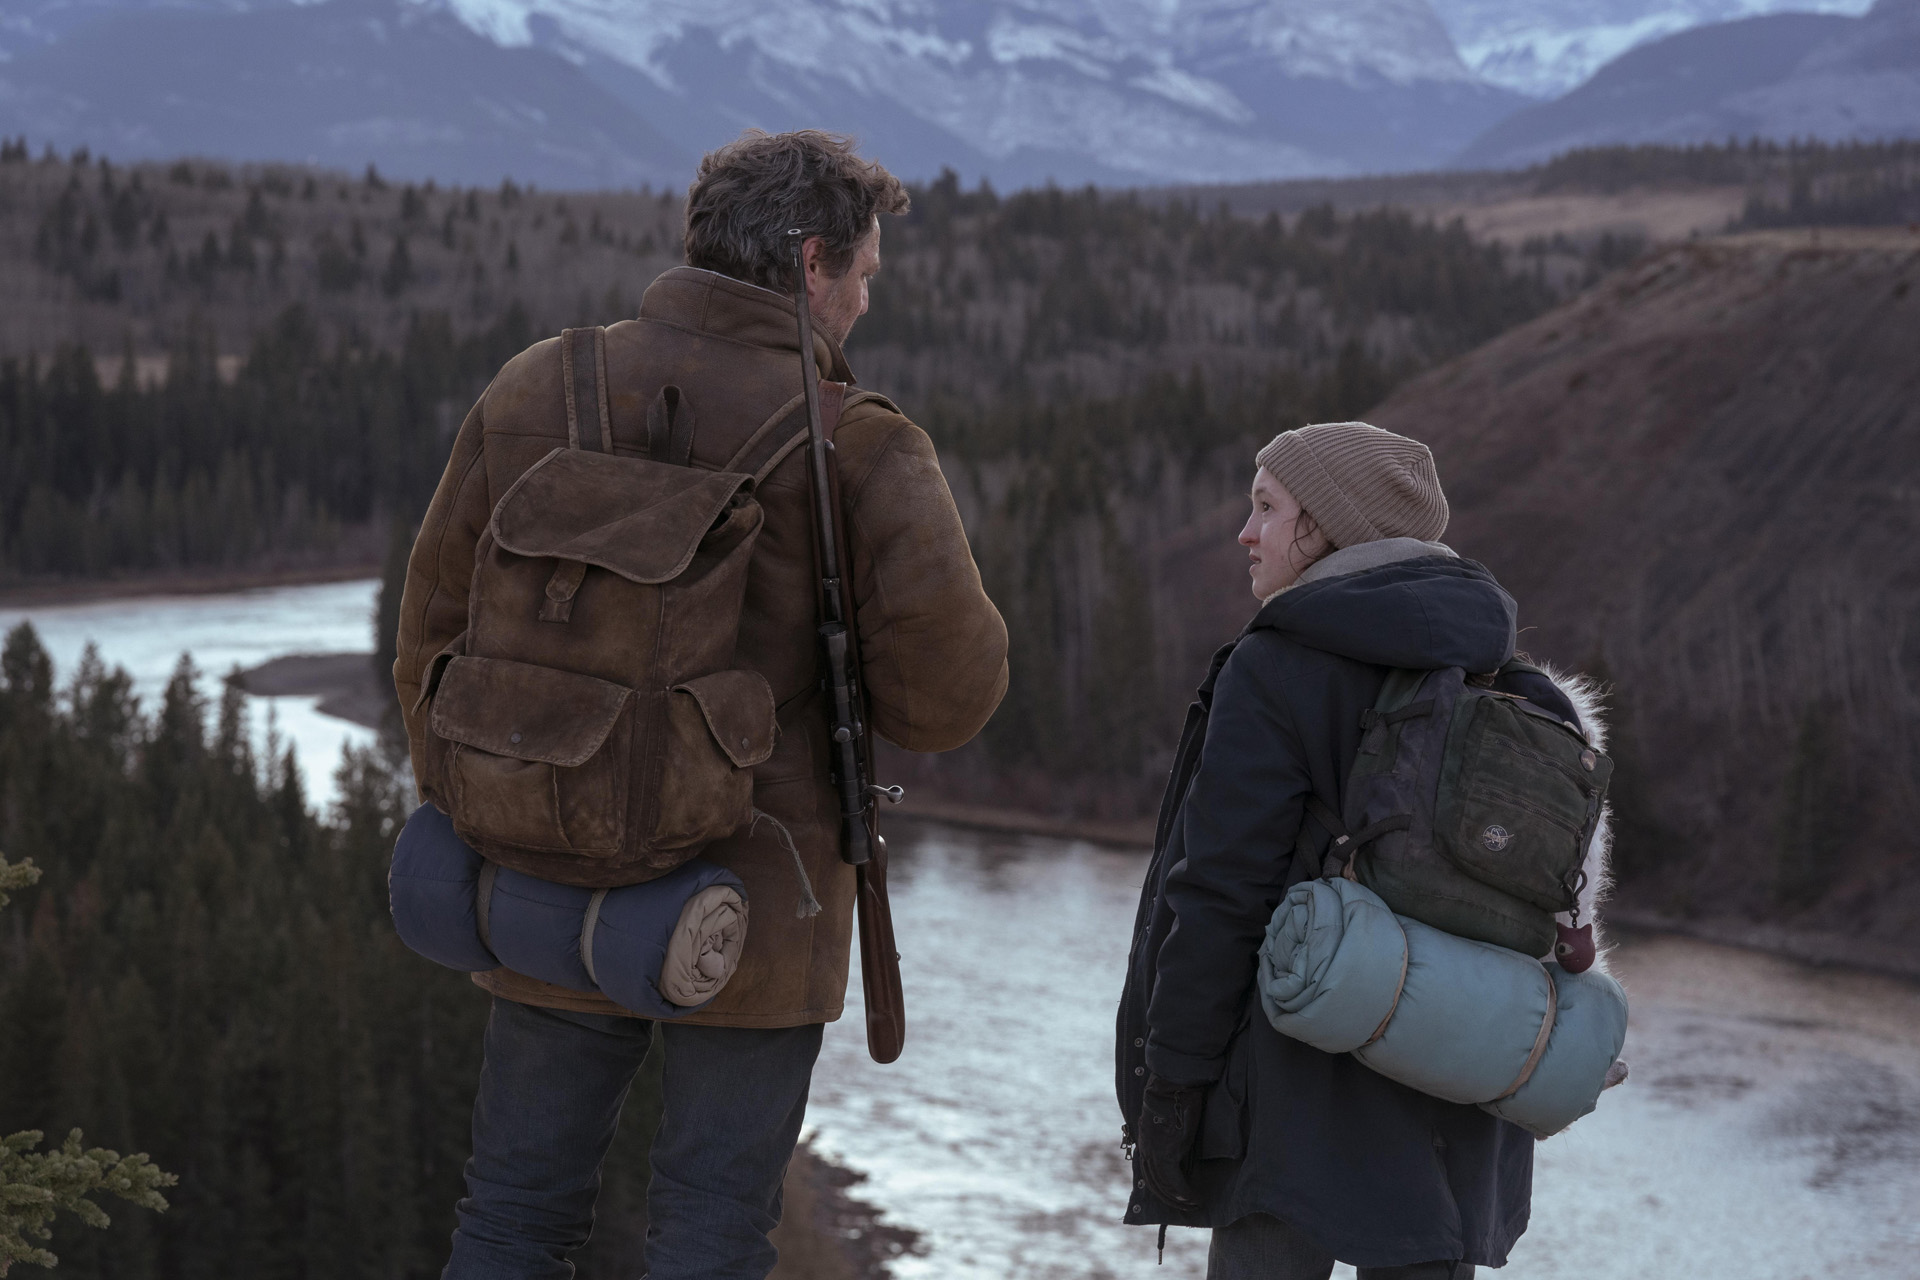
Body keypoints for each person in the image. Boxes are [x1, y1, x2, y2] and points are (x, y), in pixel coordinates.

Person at [392, 130, 1009, 1280]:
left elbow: (428, 634)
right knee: (711, 1234)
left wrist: (510, 800)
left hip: (540, 880)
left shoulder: (536, 384)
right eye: (865, 274)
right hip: (753, 915)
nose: (864, 303)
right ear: (812, 259)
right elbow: (949, 698)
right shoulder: (861, 442)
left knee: (514, 1213)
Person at [1116, 422, 1549, 1279]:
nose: (1246, 533)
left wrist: (1170, 1085)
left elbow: (1217, 896)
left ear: (1329, 528)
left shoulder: (1277, 665)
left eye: (1267, 508)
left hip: (1291, 1106)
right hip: (1451, 1101)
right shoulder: (1499, 667)